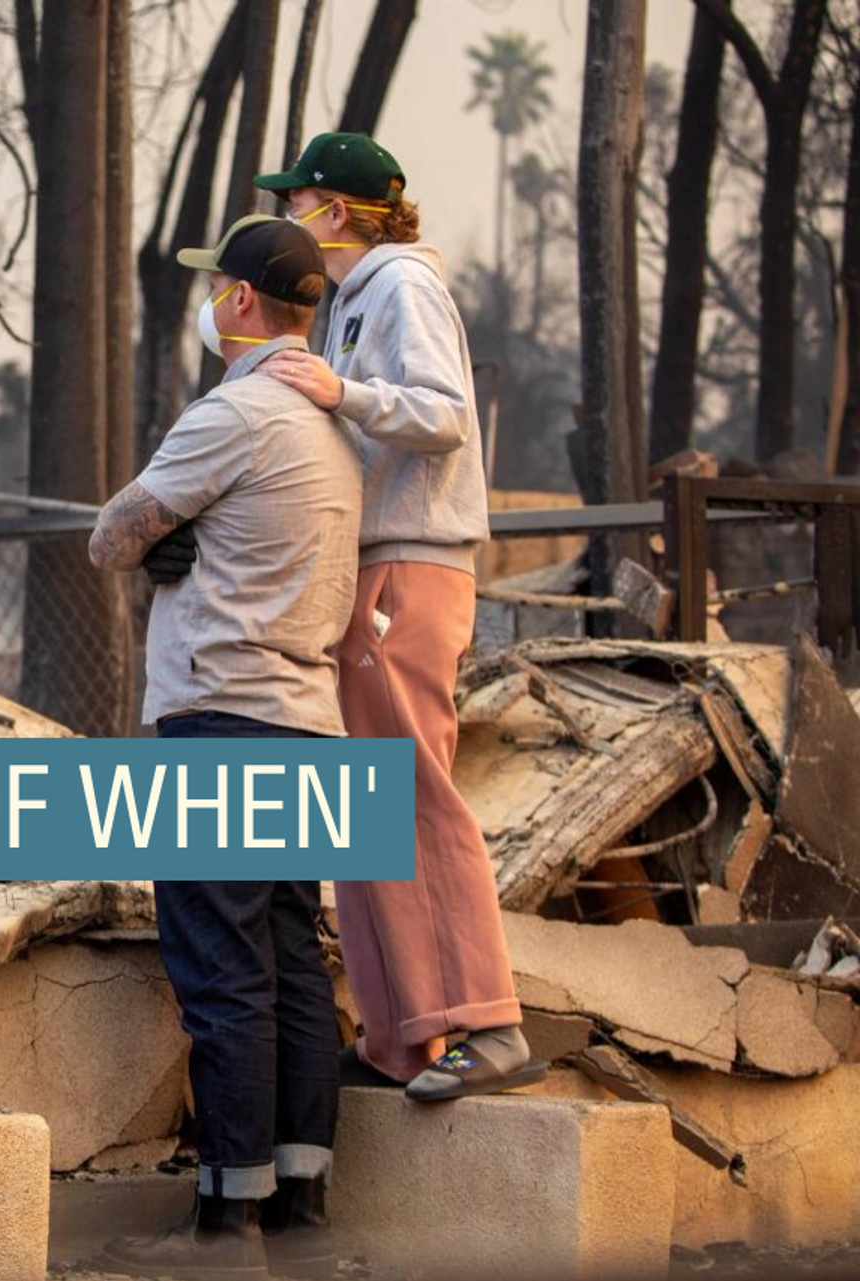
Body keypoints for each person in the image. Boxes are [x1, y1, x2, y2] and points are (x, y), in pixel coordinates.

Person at [87, 214, 360, 1279]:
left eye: (218, 289)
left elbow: (111, 535)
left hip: (220, 719)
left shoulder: (236, 411)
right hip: (311, 722)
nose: (213, 303)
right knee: (293, 962)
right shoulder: (336, 430)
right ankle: (301, 1206)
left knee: (221, 970)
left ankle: (223, 1223)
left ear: (242, 301)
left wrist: (162, 542)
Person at [250, 131, 544, 1102]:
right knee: (363, 813)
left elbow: (444, 411)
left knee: (413, 794)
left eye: (298, 202)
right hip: (370, 567)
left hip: (410, 568)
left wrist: (343, 391)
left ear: (335, 211)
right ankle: (400, 1035)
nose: (289, 218)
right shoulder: (354, 302)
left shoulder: (401, 287)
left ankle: (486, 1023)